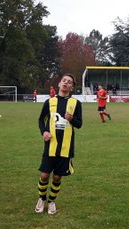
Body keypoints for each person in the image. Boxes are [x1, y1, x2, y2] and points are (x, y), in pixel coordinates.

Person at [35, 73, 82, 215]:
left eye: (69, 82)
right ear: (59, 83)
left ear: (72, 87)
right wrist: (44, 132)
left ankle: (51, 201)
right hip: (50, 146)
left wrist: (72, 119)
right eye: (64, 81)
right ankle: (42, 199)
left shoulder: (76, 103)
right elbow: (40, 119)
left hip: (66, 147)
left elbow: (79, 124)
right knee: (44, 175)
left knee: (57, 177)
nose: (66, 83)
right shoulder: (49, 102)